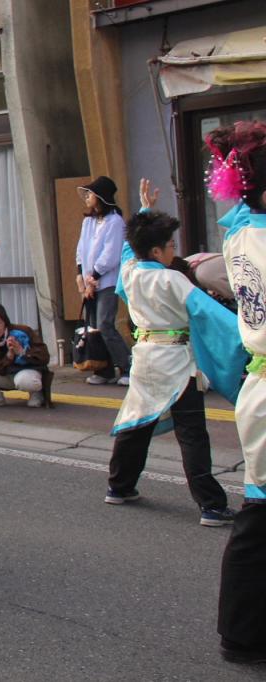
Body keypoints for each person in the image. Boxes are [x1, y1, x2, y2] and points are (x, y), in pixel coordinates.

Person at [104, 178, 242, 527]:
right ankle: (210, 505)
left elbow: (127, 250)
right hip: (177, 361)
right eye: (169, 244)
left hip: (146, 357)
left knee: (139, 421)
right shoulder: (172, 279)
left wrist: (145, 211)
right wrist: (252, 333)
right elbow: (214, 316)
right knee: (192, 432)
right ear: (156, 252)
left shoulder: (131, 272)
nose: (173, 250)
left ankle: (119, 486)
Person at [210, 120, 266, 665]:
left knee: (259, 513)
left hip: (260, 384)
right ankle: (242, 631)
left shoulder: (241, 233)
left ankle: (243, 630)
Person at [75, 175, 131, 386]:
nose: (88, 196)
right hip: (90, 280)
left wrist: (94, 277)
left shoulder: (115, 221)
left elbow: (111, 253)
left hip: (106, 282)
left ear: (101, 197)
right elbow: (81, 249)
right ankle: (103, 369)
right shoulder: (88, 221)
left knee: (105, 325)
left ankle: (128, 366)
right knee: (94, 327)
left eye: (91, 193)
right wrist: (81, 275)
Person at [0, 301, 50, 408]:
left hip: (26, 373)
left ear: (5, 321)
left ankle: (36, 394)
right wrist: (9, 356)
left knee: (25, 381)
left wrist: (22, 352)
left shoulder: (22, 331)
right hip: (3, 373)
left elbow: (44, 357)